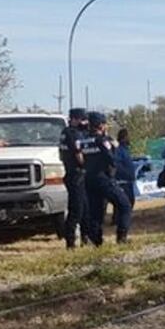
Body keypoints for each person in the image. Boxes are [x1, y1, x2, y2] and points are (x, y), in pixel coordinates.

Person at [82, 112, 132, 245]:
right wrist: (114, 148)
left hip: (88, 179)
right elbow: (112, 159)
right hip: (103, 178)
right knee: (125, 205)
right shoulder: (102, 140)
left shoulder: (84, 141)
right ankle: (122, 238)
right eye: (104, 124)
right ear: (100, 125)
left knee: (96, 212)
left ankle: (97, 242)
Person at [58, 107, 90, 249]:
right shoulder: (74, 134)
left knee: (84, 209)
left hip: (71, 173)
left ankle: (85, 238)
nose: (85, 122)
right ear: (75, 119)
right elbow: (79, 155)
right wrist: (89, 164)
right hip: (77, 174)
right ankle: (70, 242)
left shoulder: (64, 133)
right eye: (82, 119)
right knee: (76, 209)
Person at [114, 128, 137, 210]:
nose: (129, 138)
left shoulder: (126, 150)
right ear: (123, 138)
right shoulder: (119, 150)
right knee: (124, 202)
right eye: (127, 136)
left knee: (131, 201)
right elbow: (117, 165)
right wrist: (125, 174)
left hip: (129, 181)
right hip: (123, 182)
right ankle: (118, 220)